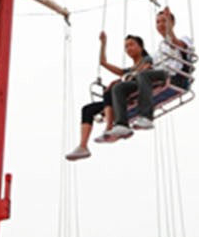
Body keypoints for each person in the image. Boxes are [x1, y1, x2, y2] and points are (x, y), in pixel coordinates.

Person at [65, 32, 154, 160]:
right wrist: (103, 43)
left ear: (141, 47)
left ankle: (109, 128)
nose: (128, 48)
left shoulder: (147, 59)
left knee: (112, 88)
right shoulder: (127, 70)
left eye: (132, 45)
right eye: (126, 46)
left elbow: (145, 70)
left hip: (134, 92)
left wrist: (121, 79)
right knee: (87, 109)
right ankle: (83, 146)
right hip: (117, 98)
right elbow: (103, 63)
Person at [109, 8, 194, 132]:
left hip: (174, 76)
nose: (160, 24)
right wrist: (123, 79)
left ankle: (146, 117)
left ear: (172, 23)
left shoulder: (184, 38)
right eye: (158, 22)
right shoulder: (158, 51)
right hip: (156, 78)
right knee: (119, 88)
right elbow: (146, 66)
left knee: (144, 76)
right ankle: (121, 124)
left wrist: (169, 30)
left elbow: (177, 43)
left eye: (164, 21)